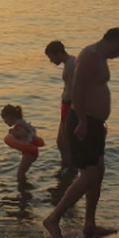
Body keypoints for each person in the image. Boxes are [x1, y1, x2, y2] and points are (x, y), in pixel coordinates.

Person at [42, 27, 119, 238]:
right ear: (115, 41)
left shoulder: (98, 56)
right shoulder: (90, 55)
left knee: (98, 172)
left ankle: (89, 224)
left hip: (94, 123)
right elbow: (78, 89)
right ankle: (53, 218)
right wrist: (81, 121)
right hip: (85, 121)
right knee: (89, 174)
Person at [44, 40, 76, 173]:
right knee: (61, 141)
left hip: (70, 105)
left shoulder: (71, 64)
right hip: (66, 104)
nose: (51, 61)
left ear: (58, 53)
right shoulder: (70, 63)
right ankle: (66, 165)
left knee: (65, 141)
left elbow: (76, 88)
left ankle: (70, 168)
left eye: (51, 57)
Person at [1, 104, 39, 183]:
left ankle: (23, 191)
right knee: (22, 172)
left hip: (29, 152)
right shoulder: (22, 123)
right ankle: (25, 189)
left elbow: (24, 133)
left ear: (10, 117)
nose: (5, 122)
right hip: (30, 151)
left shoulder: (19, 125)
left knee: (20, 174)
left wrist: (14, 133)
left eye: (5, 120)